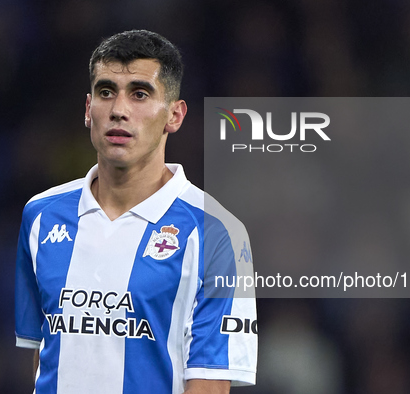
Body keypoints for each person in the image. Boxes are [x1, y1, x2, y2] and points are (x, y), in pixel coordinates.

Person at [14, 30, 257, 394]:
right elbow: (43, 358)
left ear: (174, 115)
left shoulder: (217, 233)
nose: (118, 110)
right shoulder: (41, 216)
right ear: (87, 109)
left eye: (140, 94)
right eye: (106, 91)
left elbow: (210, 383)